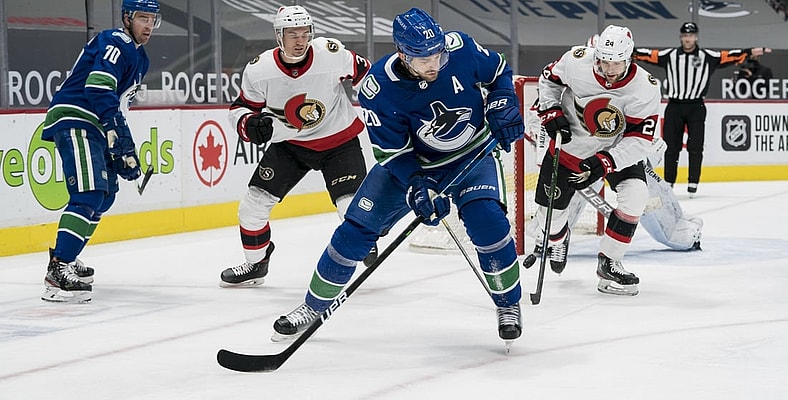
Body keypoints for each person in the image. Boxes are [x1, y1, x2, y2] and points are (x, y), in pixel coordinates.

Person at [270, 8, 525, 346]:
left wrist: (502, 101)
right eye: (423, 59)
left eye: (438, 54)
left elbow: (498, 73)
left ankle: (508, 305)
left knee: (488, 223)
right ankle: (313, 306)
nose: (434, 63)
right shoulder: (379, 88)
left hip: (470, 155)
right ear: (404, 55)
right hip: (412, 164)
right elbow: (394, 154)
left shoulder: (460, 47)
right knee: (355, 230)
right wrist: (418, 186)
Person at [220, 6, 375, 287]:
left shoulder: (330, 53)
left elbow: (368, 76)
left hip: (338, 141)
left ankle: (362, 241)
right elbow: (241, 108)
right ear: (279, 36)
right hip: (290, 145)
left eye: (305, 33)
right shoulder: (260, 70)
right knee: (252, 206)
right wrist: (248, 124)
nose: (300, 40)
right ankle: (256, 264)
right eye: (293, 34)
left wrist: (384, 108)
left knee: (349, 206)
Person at [39, 0, 160, 303]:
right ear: (127, 18)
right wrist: (116, 131)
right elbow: (97, 87)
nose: (148, 25)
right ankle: (58, 269)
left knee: (105, 194)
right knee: (89, 192)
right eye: (143, 18)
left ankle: (69, 254)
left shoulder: (140, 57)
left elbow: (116, 106)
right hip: (77, 116)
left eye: (153, 19)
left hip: (94, 123)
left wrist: (123, 146)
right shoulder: (116, 41)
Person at [534, 24, 661, 296]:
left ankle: (610, 262)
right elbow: (548, 80)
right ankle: (559, 237)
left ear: (630, 58)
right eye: (604, 61)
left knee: (636, 194)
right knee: (550, 220)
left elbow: (641, 139)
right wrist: (551, 110)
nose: (609, 69)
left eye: (616, 63)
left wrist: (607, 161)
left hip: (615, 149)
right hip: (570, 148)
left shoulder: (645, 87)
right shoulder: (576, 61)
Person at [634, 22, 771, 197]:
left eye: (690, 36)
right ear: (681, 37)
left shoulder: (708, 56)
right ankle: (669, 183)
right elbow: (647, 55)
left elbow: (730, 56)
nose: (687, 39)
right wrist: (628, 50)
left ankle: (693, 182)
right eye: (684, 36)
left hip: (696, 106)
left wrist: (749, 51)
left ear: (696, 37)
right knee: (671, 147)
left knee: (696, 146)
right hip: (675, 105)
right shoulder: (670, 55)